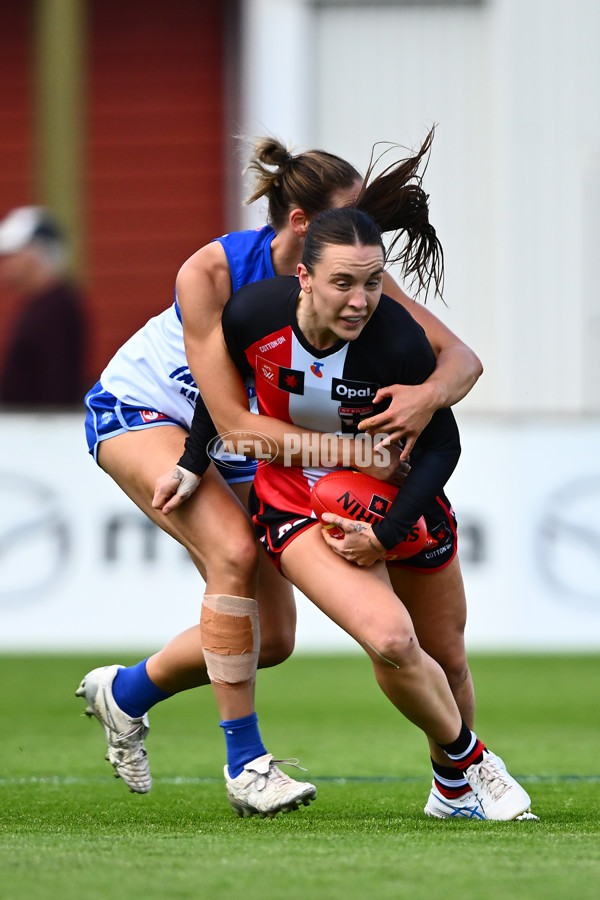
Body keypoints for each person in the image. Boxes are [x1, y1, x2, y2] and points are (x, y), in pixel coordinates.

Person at [79, 131, 483, 818]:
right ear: (301, 225)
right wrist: (354, 455)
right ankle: (246, 766)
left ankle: (126, 694)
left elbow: (462, 361)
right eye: (344, 220)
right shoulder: (211, 272)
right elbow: (232, 425)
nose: (363, 235)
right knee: (233, 554)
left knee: (274, 637)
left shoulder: (345, 282)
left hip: (238, 433)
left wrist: (425, 397)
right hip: (147, 409)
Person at [172, 206, 536, 821]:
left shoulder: (396, 342)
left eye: (372, 282)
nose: (361, 300)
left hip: (393, 501)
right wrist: (189, 461)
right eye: (343, 282)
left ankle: (451, 793)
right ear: (304, 277)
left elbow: (442, 445)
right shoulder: (253, 315)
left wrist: (387, 533)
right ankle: (476, 765)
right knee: (391, 638)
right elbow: (224, 397)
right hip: (292, 500)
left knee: (445, 659)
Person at [0, 205, 86, 406]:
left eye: (11, 254)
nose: (5, 264)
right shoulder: (42, 304)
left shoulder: (56, 309)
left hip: (41, 431)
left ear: (34, 254)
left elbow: (57, 383)